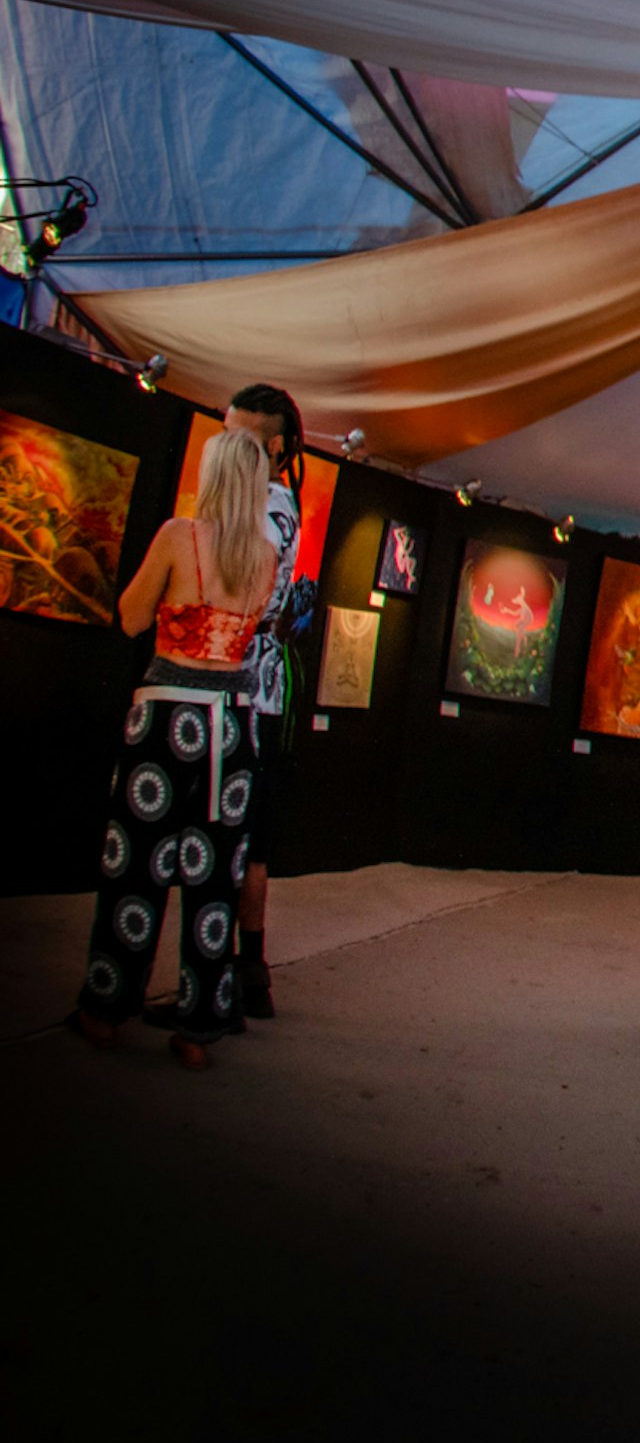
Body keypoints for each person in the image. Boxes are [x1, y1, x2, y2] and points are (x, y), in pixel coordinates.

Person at [68, 425, 281, 1066]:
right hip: (234, 730)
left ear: (212, 478)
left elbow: (132, 616)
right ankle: (199, 1028)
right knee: (214, 878)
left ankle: (105, 1010)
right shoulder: (265, 557)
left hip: (167, 722)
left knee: (135, 868)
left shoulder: (178, 536)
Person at [220, 383, 315, 1025]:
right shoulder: (281, 504)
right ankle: (250, 975)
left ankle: (226, 983)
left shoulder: (266, 506)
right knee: (251, 846)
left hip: (241, 699)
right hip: (260, 695)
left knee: (235, 844)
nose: (228, 449)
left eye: (243, 439)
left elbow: (241, 599)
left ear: (275, 448)